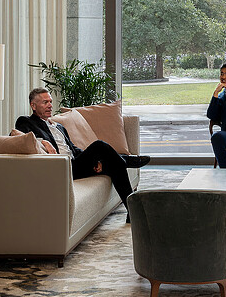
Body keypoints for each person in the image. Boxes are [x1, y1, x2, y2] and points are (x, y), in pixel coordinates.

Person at [15, 88, 150, 223]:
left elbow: (73, 148)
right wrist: (43, 142)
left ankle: (132, 212)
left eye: (50, 101)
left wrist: (96, 161)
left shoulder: (58, 126)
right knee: (99, 145)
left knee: (113, 165)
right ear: (33, 105)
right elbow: (20, 137)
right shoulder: (25, 121)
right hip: (61, 167)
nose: (50, 105)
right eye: (45, 102)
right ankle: (127, 160)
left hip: (75, 164)